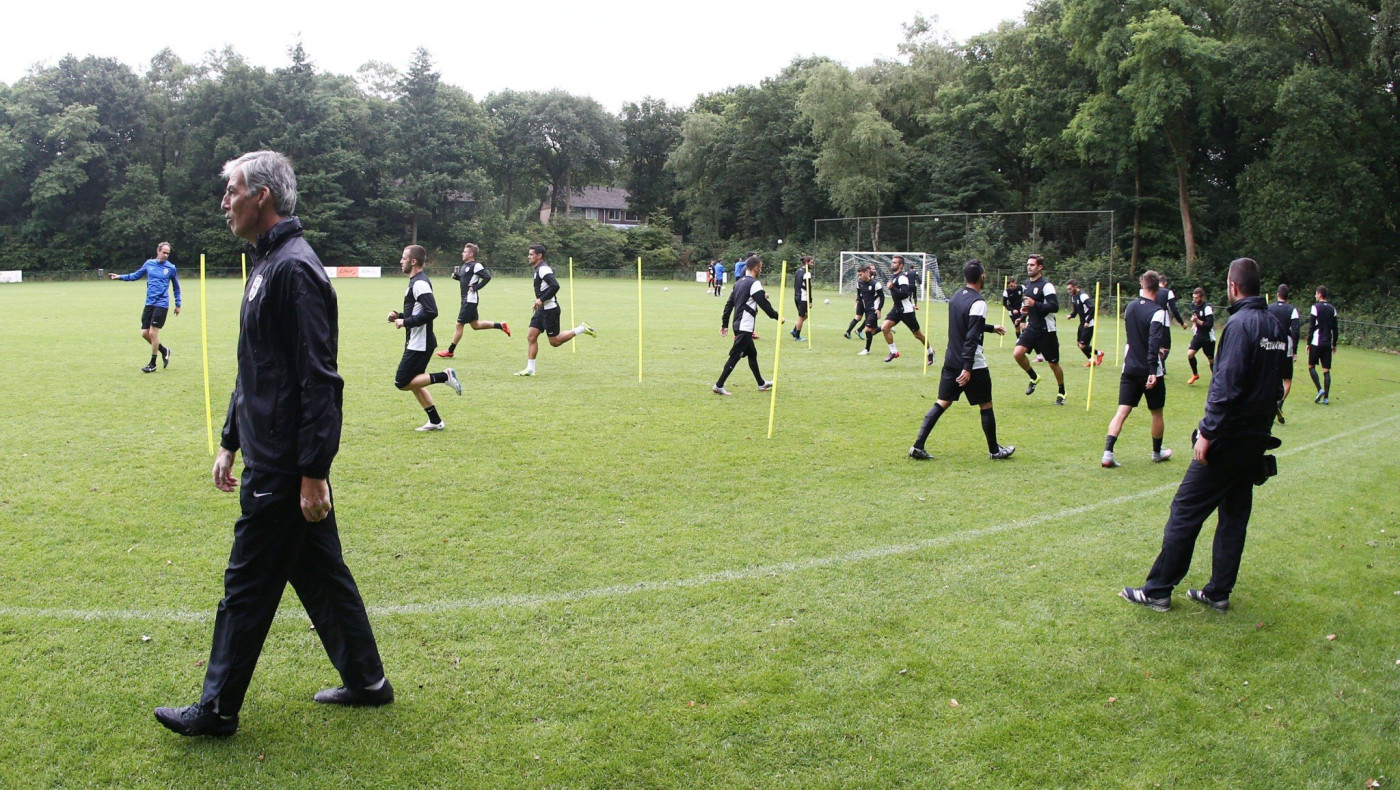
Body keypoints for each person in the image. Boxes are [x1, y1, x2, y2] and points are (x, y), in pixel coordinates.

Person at [154, 150, 391, 737]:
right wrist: (230, 440)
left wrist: (313, 472)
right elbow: (256, 367)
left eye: (231, 190)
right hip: (268, 453)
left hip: (285, 467)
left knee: (246, 587)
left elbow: (320, 379)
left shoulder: (293, 269)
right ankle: (368, 683)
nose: (224, 201)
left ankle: (216, 711)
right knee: (322, 576)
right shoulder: (265, 264)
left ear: (261, 196)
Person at [1120, 257, 1286, 612]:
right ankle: (1218, 592)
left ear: (1233, 286)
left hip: (1229, 439)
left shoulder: (1240, 325)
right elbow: (1278, 384)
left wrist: (1207, 432)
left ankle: (1158, 590)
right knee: (1234, 514)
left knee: (1185, 509)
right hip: (1255, 439)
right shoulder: (1274, 324)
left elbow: (1226, 386)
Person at [908, 259, 1015, 461]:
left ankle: (917, 446)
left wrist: (991, 328)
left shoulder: (957, 296)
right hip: (972, 364)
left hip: (951, 359)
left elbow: (966, 324)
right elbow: (972, 336)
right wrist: (967, 368)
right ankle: (995, 451)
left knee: (942, 402)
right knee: (986, 405)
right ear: (982, 276)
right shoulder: (979, 302)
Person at [1102, 271, 1172, 468]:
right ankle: (1157, 453)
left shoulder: (1130, 307)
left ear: (1142, 285)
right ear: (1158, 288)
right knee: (1157, 412)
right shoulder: (1159, 312)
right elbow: (1153, 342)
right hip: (1149, 371)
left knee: (1122, 411)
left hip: (1129, 366)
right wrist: (1152, 370)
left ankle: (1107, 453)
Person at [390, 245, 462, 430]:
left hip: (420, 343)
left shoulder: (420, 283)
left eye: (404, 258)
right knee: (416, 382)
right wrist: (399, 316)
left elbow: (431, 312)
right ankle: (436, 421)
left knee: (402, 382)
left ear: (413, 261)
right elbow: (418, 311)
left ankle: (444, 376)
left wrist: (405, 322)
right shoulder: (415, 282)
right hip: (417, 341)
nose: (401, 261)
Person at [516, 244, 595, 376]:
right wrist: (539, 302)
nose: (528, 257)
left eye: (531, 254)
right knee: (531, 336)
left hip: (550, 310)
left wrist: (541, 300)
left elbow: (555, 285)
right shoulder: (538, 269)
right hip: (541, 310)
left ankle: (582, 328)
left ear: (539, 256)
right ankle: (530, 369)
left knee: (555, 342)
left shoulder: (544, 269)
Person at [713, 254, 780, 395]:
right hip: (745, 326)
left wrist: (725, 324)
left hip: (738, 324)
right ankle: (719, 385)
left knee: (752, 354)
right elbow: (764, 304)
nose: (761, 270)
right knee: (735, 356)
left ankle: (761, 383)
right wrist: (777, 317)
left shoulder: (738, 283)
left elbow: (729, 305)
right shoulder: (754, 283)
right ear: (756, 268)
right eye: (760, 267)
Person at [110, 241, 181, 372]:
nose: (166, 255)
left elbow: (176, 287)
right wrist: (120, 277)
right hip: (149, 303)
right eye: (164, 252)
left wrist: (178, 304)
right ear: (158, 251)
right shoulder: (149, 264)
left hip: (162, 304)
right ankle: (164, 350)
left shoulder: (171, 268)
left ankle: (152, 364)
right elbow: (135, 275)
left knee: (153, 333)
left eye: (168, 253)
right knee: (144, 333)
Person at [437, 242, 509, 359]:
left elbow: (487, 277)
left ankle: (450, 351)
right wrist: (458, 278)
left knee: (459, 324)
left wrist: (476, 287)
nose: (462, 253)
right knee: (475, 325)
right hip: (466, 299)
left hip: (469, 300)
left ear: (470, 254)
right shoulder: (465, 266)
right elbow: (466, 281)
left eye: (465, 252)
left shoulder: (476, 265)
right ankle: (501, 325)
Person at [1012, 254, 1066, 404]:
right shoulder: (1027, 285)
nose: (1029, 267)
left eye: (1032, 265)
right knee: (1017, 353)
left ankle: (1061, 392)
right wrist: (1022, 318)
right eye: (1028, 264)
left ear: (1040, 267)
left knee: (1053, 364)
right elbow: (1028, 307)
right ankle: (1034, 377)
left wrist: (1035, 304)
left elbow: (1054, 307)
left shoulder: (1047, 286)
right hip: (1032, 327)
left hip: (1046, 330)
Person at [878, 256, 934, 365]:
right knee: (885, 328)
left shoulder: (902, 277)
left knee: (918, 335)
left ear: (901, 265)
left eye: (895, 263)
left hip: (906, 311)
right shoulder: (894, 277)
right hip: (897, 308)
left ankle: (930, 352)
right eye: (892, 262)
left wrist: (892, 288)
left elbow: (905, 294)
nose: (892, 264)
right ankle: (893, 352)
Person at [1267, 284, 1301, 424]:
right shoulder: (1292, 310)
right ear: (1288, 296)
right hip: (1285, 344)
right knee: (1287, 379)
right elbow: (1296, 330)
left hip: (1270, 343)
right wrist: (1295, 350)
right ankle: (1279, 403)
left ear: (1277, 294)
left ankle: (1267, 403)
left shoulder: (1269, 308)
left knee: (1271, 375)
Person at [1307, 286, 1338, 404]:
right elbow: (1335, 329)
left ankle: (1320, 389)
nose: (1315, 296)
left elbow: (1311, 326)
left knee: (1311, 366)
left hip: (1316, 342)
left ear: (1319, 294)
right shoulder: (1332, 309)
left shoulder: (1315, 307)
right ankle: (1326, 398)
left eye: (1316, 294)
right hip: (1327, 344)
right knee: (1326, 370)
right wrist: (1334, 344)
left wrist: (1308, 343)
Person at [1065, 279, 1103, 367]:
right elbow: (1076, 310)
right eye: (1068, 289)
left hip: (1088, 324)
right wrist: (1071, 315)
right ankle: (1092, 360)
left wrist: (1087, 321)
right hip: (1082, 323)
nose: (1069, 291)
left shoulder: (1083, 295)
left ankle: (1099, 353)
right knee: (1079, 344)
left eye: (1070, 289)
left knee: (1083, 345)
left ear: (1075, 287)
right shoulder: (1073, 297)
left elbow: (1092, 308)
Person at [1185, 287, 1216, 385]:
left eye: (1197, 298)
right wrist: (1194, 325)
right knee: (1190, 354)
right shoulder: (1193, 304)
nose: (1194, 300)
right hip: (1198, 335)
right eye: (1193, 297)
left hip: (1208, 337)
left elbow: (1209, 325)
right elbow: (1195, 316)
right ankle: (1195, 374)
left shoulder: (1207, 308)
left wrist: (1196, 321)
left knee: (1211, 360)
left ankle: (1216, 379)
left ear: (1202, 297)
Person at [791, 256, 813, 340]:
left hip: (796, 296)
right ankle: (797, 336)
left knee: (805, 315)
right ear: (807, 262)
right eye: (811, 262)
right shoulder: (807, 273)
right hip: (803, 297)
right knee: (801, 316)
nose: (812, 264)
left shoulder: (798, 271)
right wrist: (810, 300)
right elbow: (808, 288)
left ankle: (794, 330)